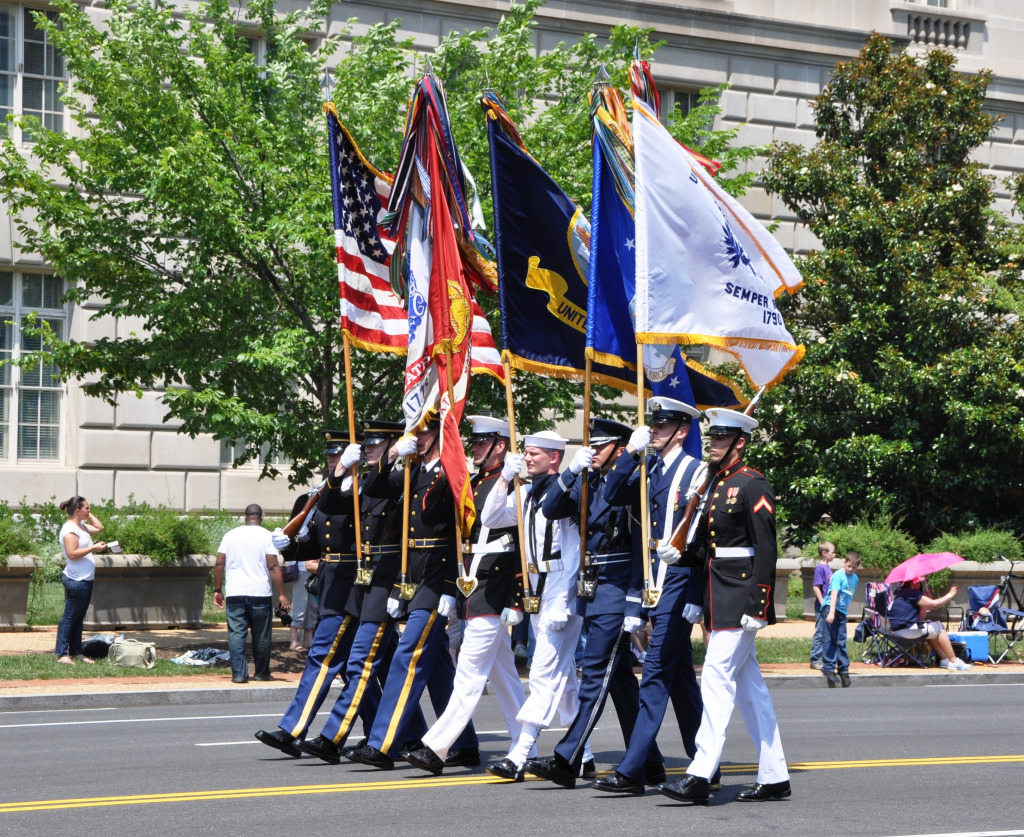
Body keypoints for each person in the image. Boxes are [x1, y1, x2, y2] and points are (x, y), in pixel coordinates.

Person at [658, 407, 790, 806]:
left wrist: (760, 600)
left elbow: (767, 548)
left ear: (740, 442)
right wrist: (677, 556)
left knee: (715, 678)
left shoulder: (752, 485)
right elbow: (707, 547)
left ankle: (700, 773)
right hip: (719, 594)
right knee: (751, 691)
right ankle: (774, 775)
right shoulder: (715, 483)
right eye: (712, 437)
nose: (712, 444)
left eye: (720, 438)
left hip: (741, 594)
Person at [344, 412, 479, 770]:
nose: (418, 437)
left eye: (425, 431)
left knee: (408, 654)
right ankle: (463, 743)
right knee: (435, 667)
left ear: (441, 433)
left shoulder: (451, 471)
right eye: (416, 431)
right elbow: (375, 489)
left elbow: (457, 532)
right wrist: (391, 458)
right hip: (412, 574)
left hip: (438, 574)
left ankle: (384, 744)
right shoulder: (414, 468)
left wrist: (451, 585)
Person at [593, 397, 707, 796]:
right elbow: (612, 495)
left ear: (681, 431)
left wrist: (695, 593)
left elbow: (700, 540)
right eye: (653, 427)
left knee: (655, 672)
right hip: (652, 581)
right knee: (679, 680)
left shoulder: (696, 472)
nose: (655, 431)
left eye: (662, 427)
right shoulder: (647, 467)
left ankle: (632, 771)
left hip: (678, 580)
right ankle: (704, 759)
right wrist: (631, 454)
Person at [404, 415, 528, 775]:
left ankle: (435, 747)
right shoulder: (472, 481)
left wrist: (517, 600)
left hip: (495, 593)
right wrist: (441, 465)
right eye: (471, 442)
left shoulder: (516, 485)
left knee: (469, 673)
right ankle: (526, 743)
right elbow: (433, 516)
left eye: (481, 442)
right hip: (470, 591)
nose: (473, 448)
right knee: (505, 679)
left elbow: (521, 549)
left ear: (500, 446)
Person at [527, 417, 644, 788]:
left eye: (600, 447)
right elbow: (550, 509)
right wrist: (569, 474)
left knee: (595, 675)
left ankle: (567, 757)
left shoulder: (631, 479)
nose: (591, 453)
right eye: (588, 447)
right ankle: (648, 762)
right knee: (621, 682)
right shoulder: (588, 479)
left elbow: (617, 505)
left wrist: (633, 602)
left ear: (620, 450)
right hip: (591, 589)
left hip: (616, 588)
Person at [297, 420, 408, 764]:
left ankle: (333, 737)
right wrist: (342, 468)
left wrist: (391, 460)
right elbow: (329, 505)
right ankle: (412, 736)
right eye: (367, 444)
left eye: (376, 444)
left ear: (394, 443)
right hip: (364, 583)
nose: (369, 449)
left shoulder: (400, 477)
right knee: (388, 667)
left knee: (366, 663)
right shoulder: (365, 478)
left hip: (387, 581)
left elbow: (382, 488)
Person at [255, 429, 370, 756]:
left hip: (351, 586)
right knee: (361, 668)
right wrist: (289, 545)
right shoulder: (323, 492)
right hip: (332, 583)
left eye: (339, 456)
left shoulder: (363, 489)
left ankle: (291, 730)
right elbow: (315, 542)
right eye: (331, 456)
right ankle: (398, 733)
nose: (333, 460)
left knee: (322, 656)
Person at [480, 430, 581, 782]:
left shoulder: (567, 493)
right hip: (535, 586)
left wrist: (565, 601)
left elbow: (574, 550)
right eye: (526, 451)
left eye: (535, 453)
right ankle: (583, 754)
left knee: (542, 672)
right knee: (563, 678)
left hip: (559, 586)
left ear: (555, 458)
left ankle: (520, 754)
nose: (528, 456)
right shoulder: (524, 493)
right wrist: (505, 478)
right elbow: (490, 518)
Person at [214, 504, 290, 684]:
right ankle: (262, 673)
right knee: (261, 634)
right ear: (261, 516)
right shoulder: (267, 536)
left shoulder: (230, 535)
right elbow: (273, 566)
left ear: (244, 516)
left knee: (236, 634)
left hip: (235, 592)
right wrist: (281, 594)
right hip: (260, 592)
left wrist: (217, 590)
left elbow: (219, 564)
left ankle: (239, 674)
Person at [55, 496, 107, 665]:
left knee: (78, 618)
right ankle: (62, 654)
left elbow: (100, 528)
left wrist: (89, 514)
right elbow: (72, 554)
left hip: (85, 579)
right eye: (86, 508)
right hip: (76, 579)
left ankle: (77, 652)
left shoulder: (81, 526)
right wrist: (93, 547)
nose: (89, 510)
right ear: (77, 510)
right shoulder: (70, 529)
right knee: (70, 617)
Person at [889, 578, 971, 670]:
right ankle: (954, 661)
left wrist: (924, 605)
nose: (920, 584)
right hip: (906, 632)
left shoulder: (902, 594)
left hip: (896, 633)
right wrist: (950, 594)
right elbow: (935, 605)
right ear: (911, 583)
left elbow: (920, 619)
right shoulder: (912, 592)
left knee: (931, 627)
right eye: (917, 582)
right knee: (940, 626)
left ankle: (944, 660)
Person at [821, 552, 861, 688]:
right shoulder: (838, 575)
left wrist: (842, 611)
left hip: (842, 611)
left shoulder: (855, 578)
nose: (850, 569)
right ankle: (828, 667)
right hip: (831, 609)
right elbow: (834, 593)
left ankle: (843, 669)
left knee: (841, 640)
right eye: (849, 566)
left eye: (854, 567)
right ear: (845, 562)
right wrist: (831, 612)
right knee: (829, 639)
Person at [809, 542, 835, 670]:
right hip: (822, 605)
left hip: (828, 604)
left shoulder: (828, 568)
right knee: (820, 631)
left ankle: (825, 658)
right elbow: (816, 587)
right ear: (824, 553)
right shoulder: (820, 568)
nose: (834, 555)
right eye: (832, 552)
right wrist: (822, 602)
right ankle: (815, 659)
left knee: (827, 632)